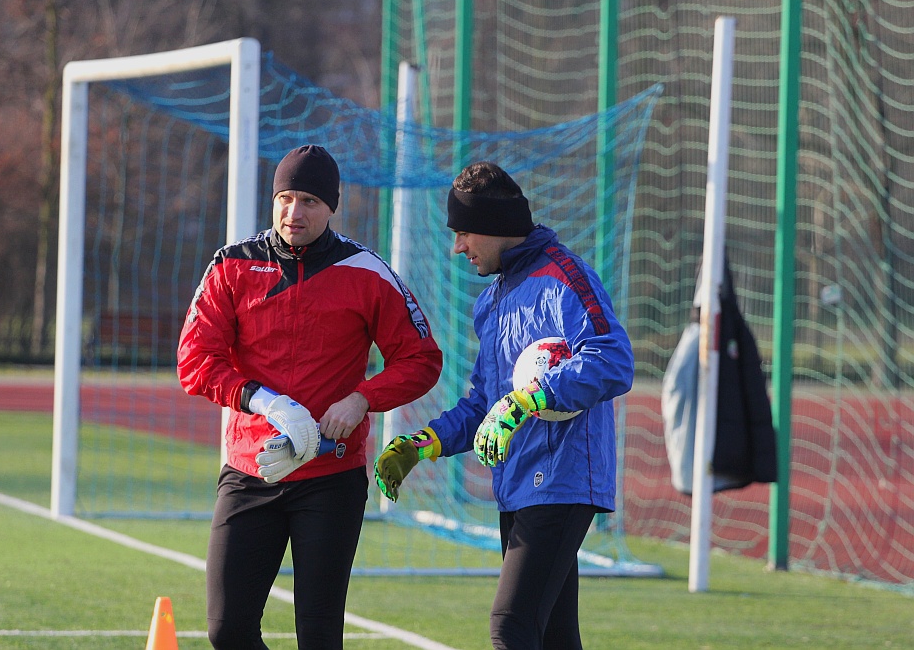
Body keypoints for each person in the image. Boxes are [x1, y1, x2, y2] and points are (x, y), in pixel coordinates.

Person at [178, 144, 442, 650]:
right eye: (285, 197)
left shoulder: (368, 272)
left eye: (309, 202)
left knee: (319, 636)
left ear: (332, 207)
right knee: (227, 629)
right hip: (251, 471)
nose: (294, 212)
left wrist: (363, 398)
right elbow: (195, 361)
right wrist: (262, 401)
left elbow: (421, 358)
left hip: (331, 478)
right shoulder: (232, 265)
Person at [374, 161, 634, 650]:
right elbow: (483, 404)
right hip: (516, 482)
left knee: (511, 625)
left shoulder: (566, 277)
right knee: (552, 636)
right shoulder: (491, 301)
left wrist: (527, 400)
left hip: (562, 479)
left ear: (495, 229)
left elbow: (613, 359)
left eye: (464, 233)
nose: (458, 247)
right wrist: (425, 443)